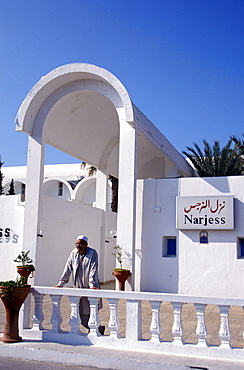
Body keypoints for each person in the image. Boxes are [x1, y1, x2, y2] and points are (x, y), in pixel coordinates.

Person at [55, 235, 105, 335]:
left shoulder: (93, 253)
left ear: (86, 244)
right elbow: (68, 268)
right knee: (80, 313)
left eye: (81, 243)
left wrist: (92, 285)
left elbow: (93, 270)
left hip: (91, 287)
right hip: (78, 287)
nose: (78, 245)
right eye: (77, 243)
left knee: (92, 310)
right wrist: (61, 283)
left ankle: (95, 329)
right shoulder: (73, 253)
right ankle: (99, 328)